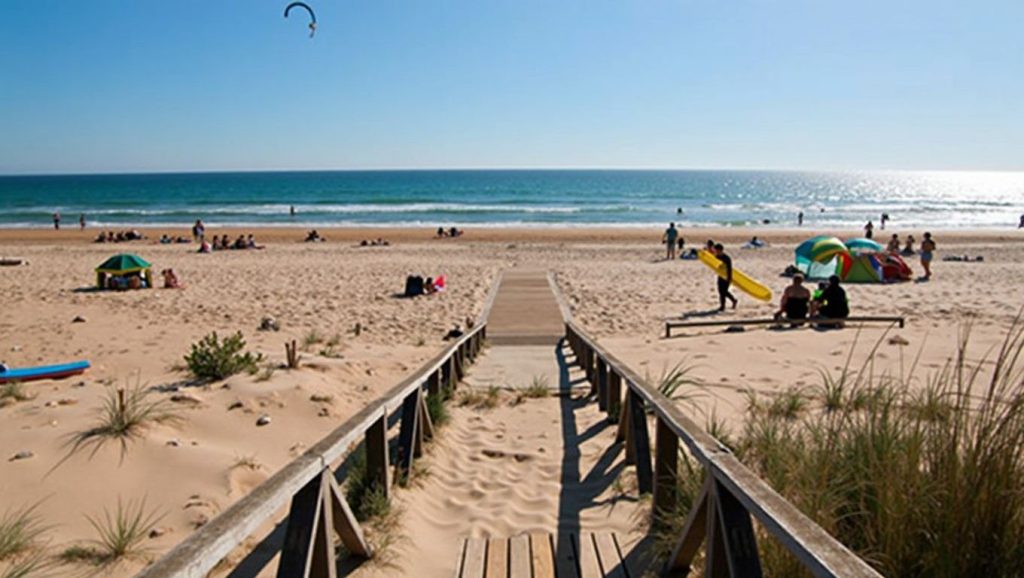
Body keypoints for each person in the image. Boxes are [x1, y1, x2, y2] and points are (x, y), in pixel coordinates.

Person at [712, 243, 737, 311]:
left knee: (724, 292)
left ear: (720, 250)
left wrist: (729, 278)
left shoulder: (727, 258)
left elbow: (729, 269)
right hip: (720, 276)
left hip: (727, 277)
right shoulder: (717, 257)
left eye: (716, 250)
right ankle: (727, 303)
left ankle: (726, 304)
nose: (716, 251)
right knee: (721, 291)